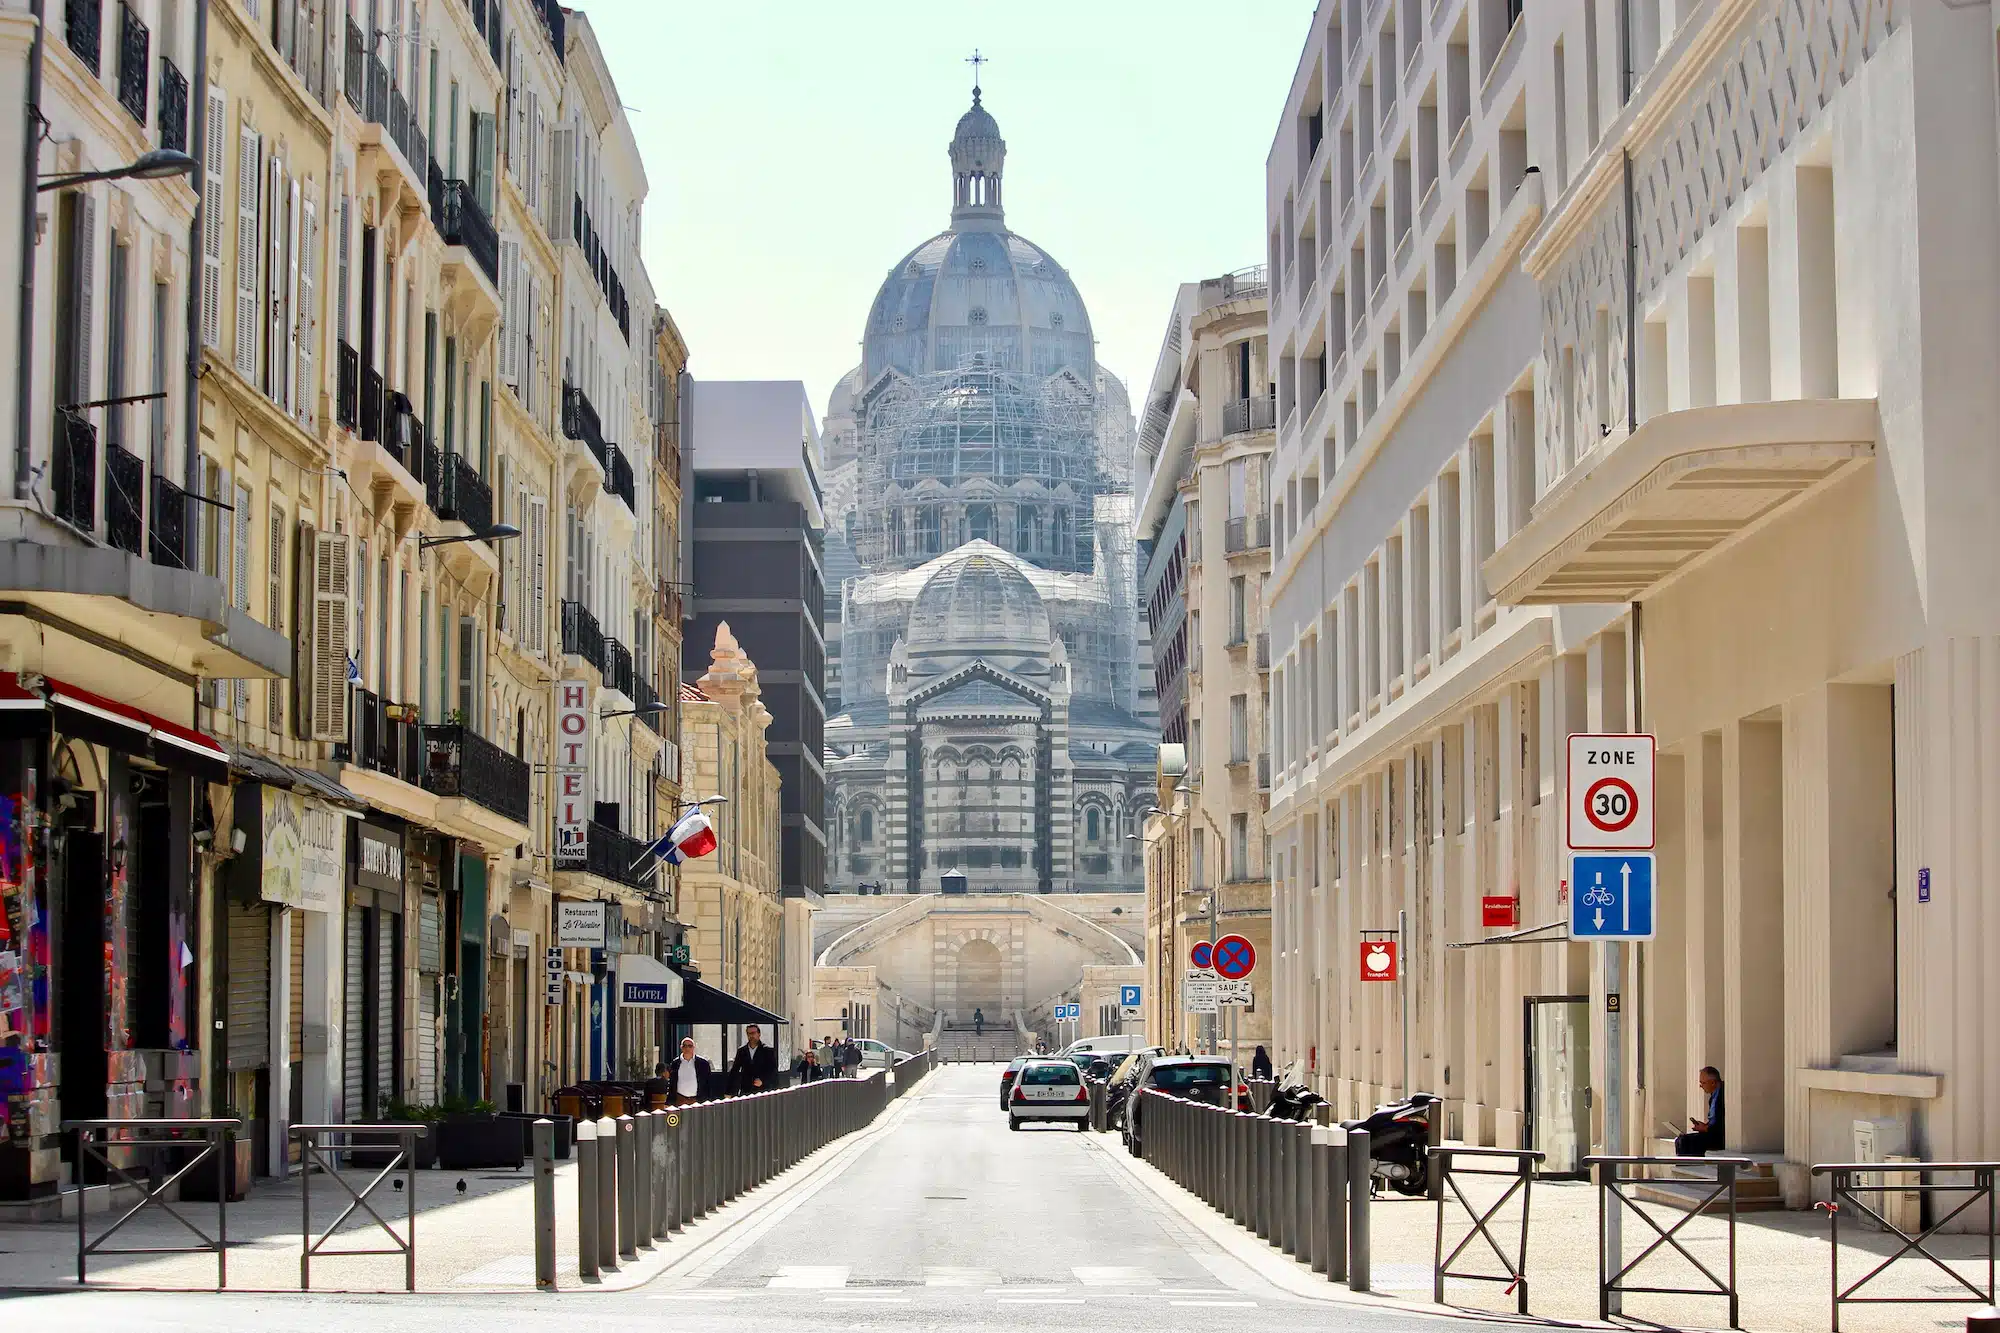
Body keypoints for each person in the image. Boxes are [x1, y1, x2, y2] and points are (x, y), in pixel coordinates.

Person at [1676, 1066, 1726, 1156]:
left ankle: (1692, 1166)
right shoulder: (1713, 1097)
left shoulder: (1723, 1095)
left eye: (1703, 1083)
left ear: (1713, 1083)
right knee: (1681, 1139)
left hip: (1720, 1137)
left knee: (1686, 1142)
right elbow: (1714, 1121)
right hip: (1711, 1133)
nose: (1701, 1086)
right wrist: (1704, 1126)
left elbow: (1722, 1122)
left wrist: (1706, 1128)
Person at [729, 1024, 779, 1095]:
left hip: (763, 1090)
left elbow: (773, 1070)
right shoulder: (742, 1051)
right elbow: (735, 1070)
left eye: (753, 1033)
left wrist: (763, 1081)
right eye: (749, 1034)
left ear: (759, 1034)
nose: (751, 1036)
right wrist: (730, 1091)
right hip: (746, 1090)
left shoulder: (767, 1051)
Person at [665, 1036, 710, 1105]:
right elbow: (671, 1083)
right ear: (681, 1047)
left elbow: (708, 1083)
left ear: (694, 1048)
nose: (687, 1048)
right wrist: (669, 1102)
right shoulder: (675, 1063)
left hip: (697, 1100)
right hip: (680, 1099)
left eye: (690, 1046)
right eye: (684, 1046)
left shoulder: (703, 1063)